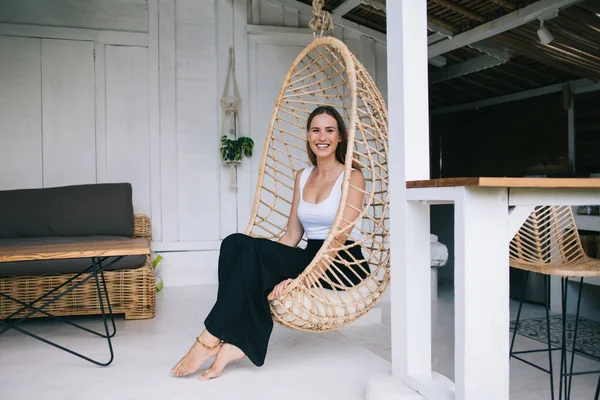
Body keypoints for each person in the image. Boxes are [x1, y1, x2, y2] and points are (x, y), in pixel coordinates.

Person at [171, 105, 367, 380]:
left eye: (329, 130)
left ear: (340, 137)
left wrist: (301, 280)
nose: (322, 136)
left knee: (252, 252)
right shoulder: (303, 175)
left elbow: (337, 242)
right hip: (311, 253)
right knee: (235, 244)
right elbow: (292, 236)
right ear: (308, 136)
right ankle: (237, 342)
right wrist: (266, 263)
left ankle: (209, 338)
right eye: (315, 130)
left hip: (341, 263)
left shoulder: (352, 177)